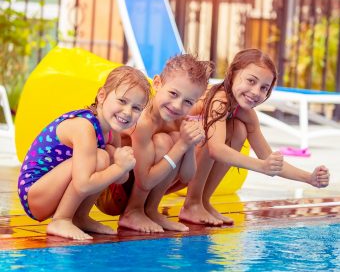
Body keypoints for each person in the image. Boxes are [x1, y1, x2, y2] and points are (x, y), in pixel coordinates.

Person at [178, 48, 330, 226]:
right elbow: (216, 149)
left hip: (185, 161)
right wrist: (261, 166)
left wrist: (309, 178)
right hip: (171, 160)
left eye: (264, 88)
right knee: (211, 136)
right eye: (251, 81)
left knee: (238, 130)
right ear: (232, 73)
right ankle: (192, 204)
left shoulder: (244, 114)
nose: (256, 92)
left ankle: (203, 202)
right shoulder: (219, 99)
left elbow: (267, 157)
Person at [17, 66, 150, 240]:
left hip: (51, 191)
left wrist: (122, 165)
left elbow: (119, 179)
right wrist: (119, 167)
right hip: (34, 195)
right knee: (101, 157)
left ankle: (79, 217)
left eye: (136, 108)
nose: (127, 112)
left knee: (105, 155)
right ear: (102, 96)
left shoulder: (112, 132)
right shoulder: (84, 127)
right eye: (122, 101)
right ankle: (61, 220)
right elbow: (83, 184)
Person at [96, 54, 213, 233]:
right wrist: (181, 145)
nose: (177, 105)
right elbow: (145, 180)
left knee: (176, 138)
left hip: (137, 181)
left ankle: (150, 210)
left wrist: (188, 144)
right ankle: (133, 211)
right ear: (157, 84)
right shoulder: (143, 120)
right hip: (111, 189)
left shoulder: (180, 119)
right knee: (164, 141)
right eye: (173, 94)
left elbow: (187, 177)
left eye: (188, 102)